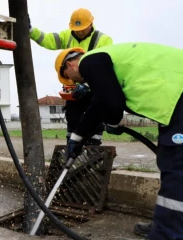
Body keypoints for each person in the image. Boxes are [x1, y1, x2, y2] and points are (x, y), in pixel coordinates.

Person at [54, 42, 183, 240]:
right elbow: (99, 104)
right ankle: (168, 220)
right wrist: (77, 137)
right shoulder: (108, 62)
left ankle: (167, 232)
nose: (72, 83)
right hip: (173, 98)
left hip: (178, 96)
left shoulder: (89, 61)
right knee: (169, 161)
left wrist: (112, 120)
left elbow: (111, 103)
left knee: (176, 165)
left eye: (67, 78)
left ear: (70, 65)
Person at [29, 8, 113, 146]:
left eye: (83, 28)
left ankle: (93, 147)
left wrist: (87, 86)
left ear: (91, 24)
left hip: (95, 88)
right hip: (74, 88)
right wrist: (31, 30)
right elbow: (48, 40)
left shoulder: (103, 40)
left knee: (95, 116)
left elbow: (105, 69)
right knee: (72, 116)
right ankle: (72, 144)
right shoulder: (67, 35)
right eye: (76, 29)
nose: (79, 32)